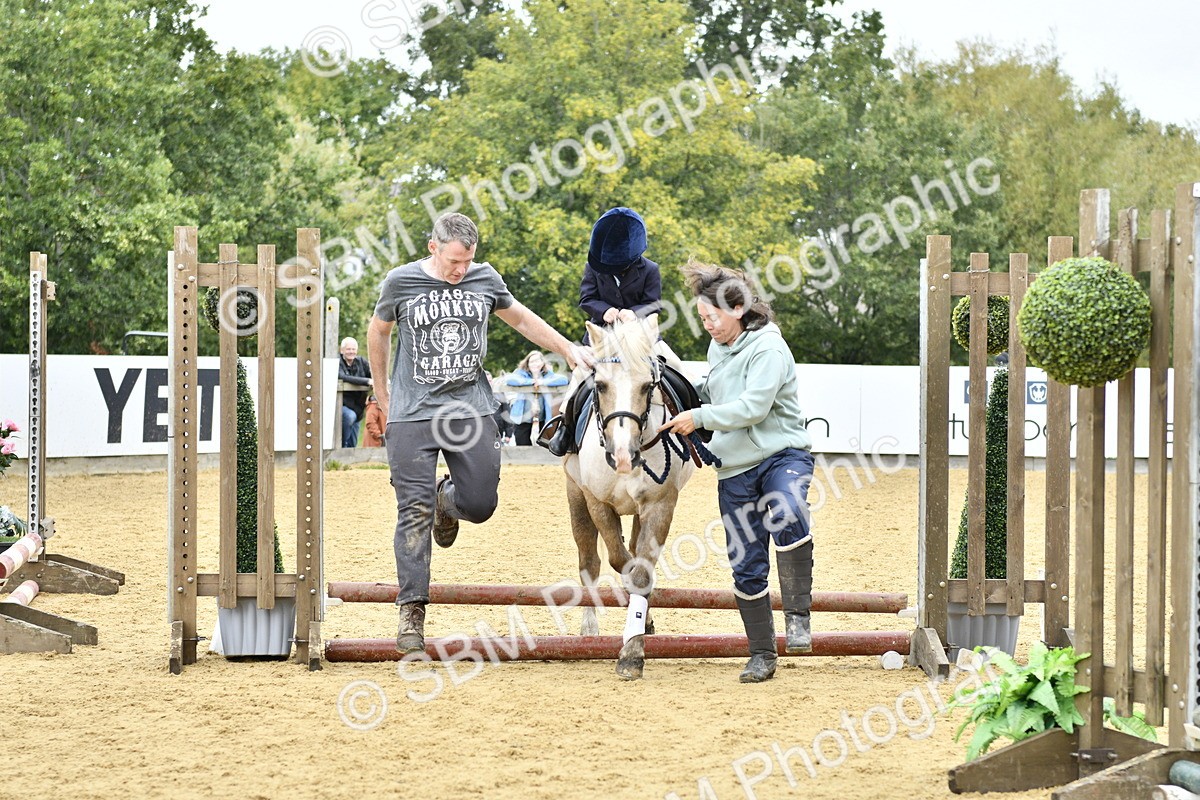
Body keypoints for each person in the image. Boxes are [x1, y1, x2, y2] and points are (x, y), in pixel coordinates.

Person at [367, 212, 594, 654]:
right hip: (413, 413)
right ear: (433, 248)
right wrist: (383, 395)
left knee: (481, 502)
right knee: (411, 511)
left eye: (467, 261)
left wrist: (568, 348)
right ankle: (412, 612)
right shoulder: (400, 282)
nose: (460, 270)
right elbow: (379, 332)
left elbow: (523, 320)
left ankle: (445, 501)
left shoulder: (484, 279)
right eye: (454, 261)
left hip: (470, 408)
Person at [659, 260, 814, 684]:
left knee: (786, 509)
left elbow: (753, 408)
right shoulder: (719, 347)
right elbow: (715, 391)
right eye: (702, 317)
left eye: (711, 317)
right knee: (745, 565)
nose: (706, 324)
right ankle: (762, 654)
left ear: (737, 309)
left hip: (783, 455)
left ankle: (799, 617)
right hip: (734, 469)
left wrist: (700, 415)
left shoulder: (769, 348)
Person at [541, 206, 683, 456]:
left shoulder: (650, 269)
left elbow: (655, 303)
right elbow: (586, 299)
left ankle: (693, 423)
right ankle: (564, 427)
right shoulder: (593, 267)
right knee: (579, 377)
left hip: (640, 336)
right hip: (603, 336)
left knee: (677, 365)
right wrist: (605, 311)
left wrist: (635, 312)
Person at [506, 351, 568, 446]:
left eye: (537, 361)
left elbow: (563, 379)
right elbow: (510, 380)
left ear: (542, 363)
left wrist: (542, 382)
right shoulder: (521, 374)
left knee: (544, 443)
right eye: (532, 362)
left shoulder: (547, 375)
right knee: (522, 442)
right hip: (523, 415)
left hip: (542, 415)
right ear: (528, 364)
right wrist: (532, 381)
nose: (535, 364)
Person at [337, 337, 371, 448]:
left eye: (353, 349)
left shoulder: (362, 362)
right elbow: (343, 377)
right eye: (348, 349)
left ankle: (347, 461)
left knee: (353, 445)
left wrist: (381, 380)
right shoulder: (338, 363)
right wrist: (367, 381)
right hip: (342, 405)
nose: (351, 352)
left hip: (358, 407)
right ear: (342, 351)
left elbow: (373, 375)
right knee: (349, 417)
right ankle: (340, 448)